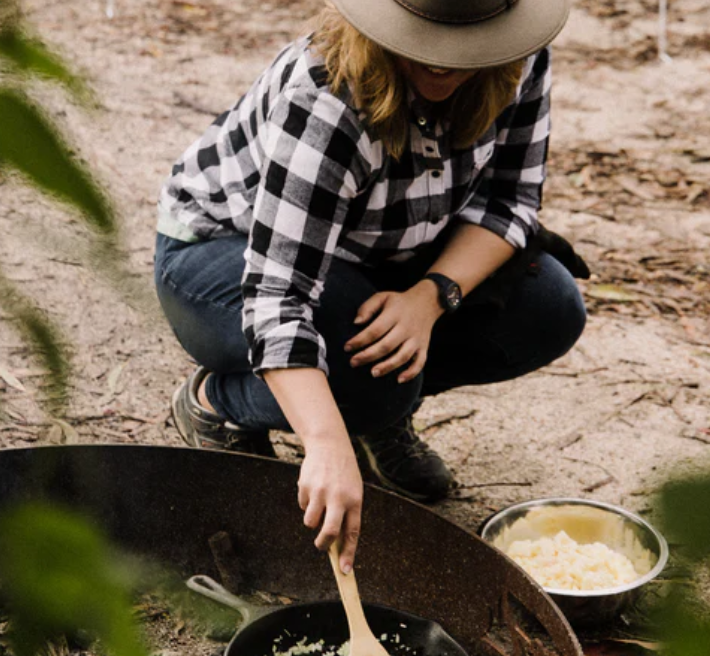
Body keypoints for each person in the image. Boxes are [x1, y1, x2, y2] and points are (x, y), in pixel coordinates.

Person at [154, 0, 588, 575]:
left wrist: (430, 299)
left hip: (383, 253)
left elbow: (510, 202)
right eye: (427, 39)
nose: (444, 64)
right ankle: (219, 404)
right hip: (222, 256)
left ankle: (376, 413)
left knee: (548, 307)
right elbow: (279, 292)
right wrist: (326, 442)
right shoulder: (325, 94)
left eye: (465, 43)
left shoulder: (515, 59)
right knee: (363, 383)